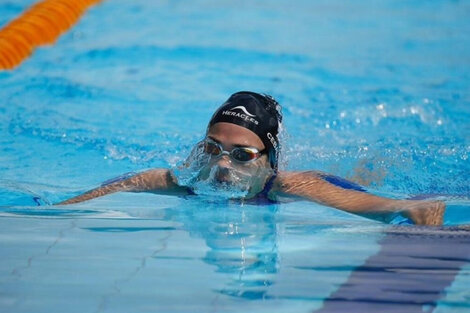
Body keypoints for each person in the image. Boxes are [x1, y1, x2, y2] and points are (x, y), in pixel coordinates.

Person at [58, 91, 445, 225]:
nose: (222, 166)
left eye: (242, 155)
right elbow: (92, 196)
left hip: (348, 177)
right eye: (213, 148)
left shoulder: (288, 185)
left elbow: (396, 206)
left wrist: (415, 217)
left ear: (267, 161)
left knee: (364, 171)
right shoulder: (180, 180)